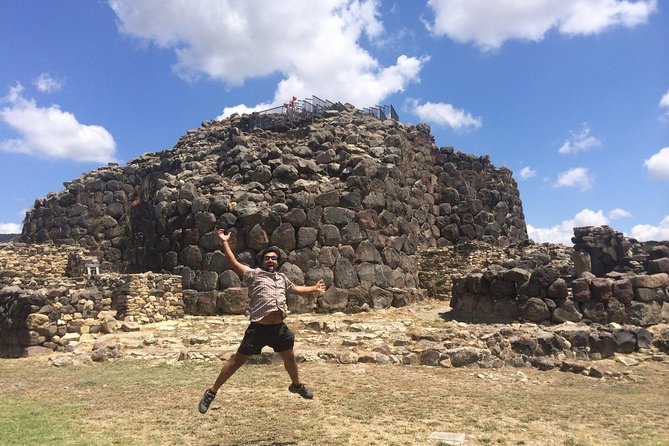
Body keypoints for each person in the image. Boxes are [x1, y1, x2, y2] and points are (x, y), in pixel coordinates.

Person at [198, 228, 327, 414]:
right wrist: (224, 241)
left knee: (290, 359)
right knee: (236, 361)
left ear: (278, 262)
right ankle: (211, 393)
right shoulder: (254, 274)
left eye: (274, 258)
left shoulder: (282, 278)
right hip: (258, 329)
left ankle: (297, 385)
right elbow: (233, 262)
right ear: (262, 261)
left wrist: (314, 288)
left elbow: (296, 289)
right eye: (267, 258)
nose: (270, 260)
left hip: (279, 329)